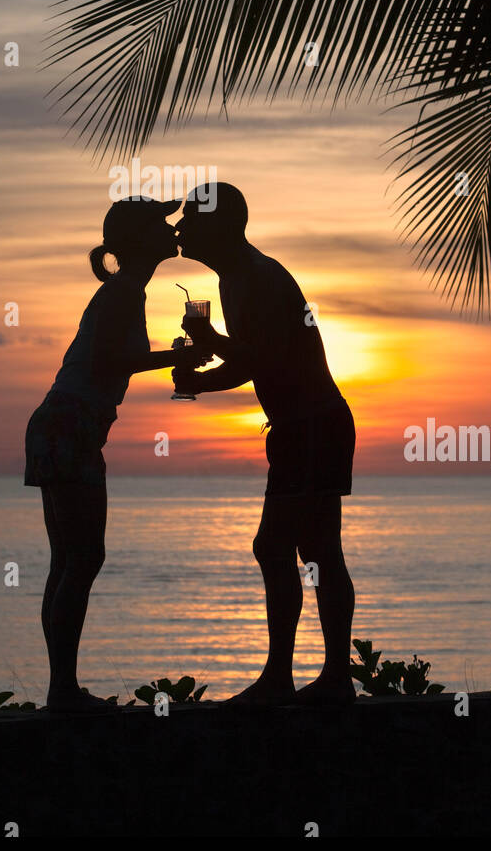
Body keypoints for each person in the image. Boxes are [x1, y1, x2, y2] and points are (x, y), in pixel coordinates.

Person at [171, 183, 357, 707]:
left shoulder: (255, 276)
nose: (180, 229)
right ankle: (323, 678)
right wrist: (201, 381)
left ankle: (287, 678)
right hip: (305, 428)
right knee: (313, 551)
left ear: (221, 226)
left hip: (311, 429)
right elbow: (252, 361)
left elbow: (266, 359)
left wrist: (207, 344)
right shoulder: (239, 276)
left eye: (190, 219)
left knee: (282, 548)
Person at [24, 196, 208, 713]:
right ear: (139, 239)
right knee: (82, 557)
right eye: (161, 222)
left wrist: (175, 355)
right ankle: (63, 691)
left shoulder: (125, 290)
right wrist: (180, 356)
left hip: (60, 424)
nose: (172, 228)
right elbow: (116, 358)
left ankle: (62, 689)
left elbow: (111, 360)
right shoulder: (124, 293)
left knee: (70, 559)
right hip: (71, 426)